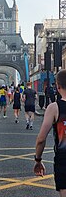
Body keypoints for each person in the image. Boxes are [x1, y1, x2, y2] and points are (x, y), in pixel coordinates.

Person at [34, 69, 66, 197]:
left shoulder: (54, 108)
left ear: (57, 86)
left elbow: (41, 139)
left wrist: (38, 160)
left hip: (63, 160)